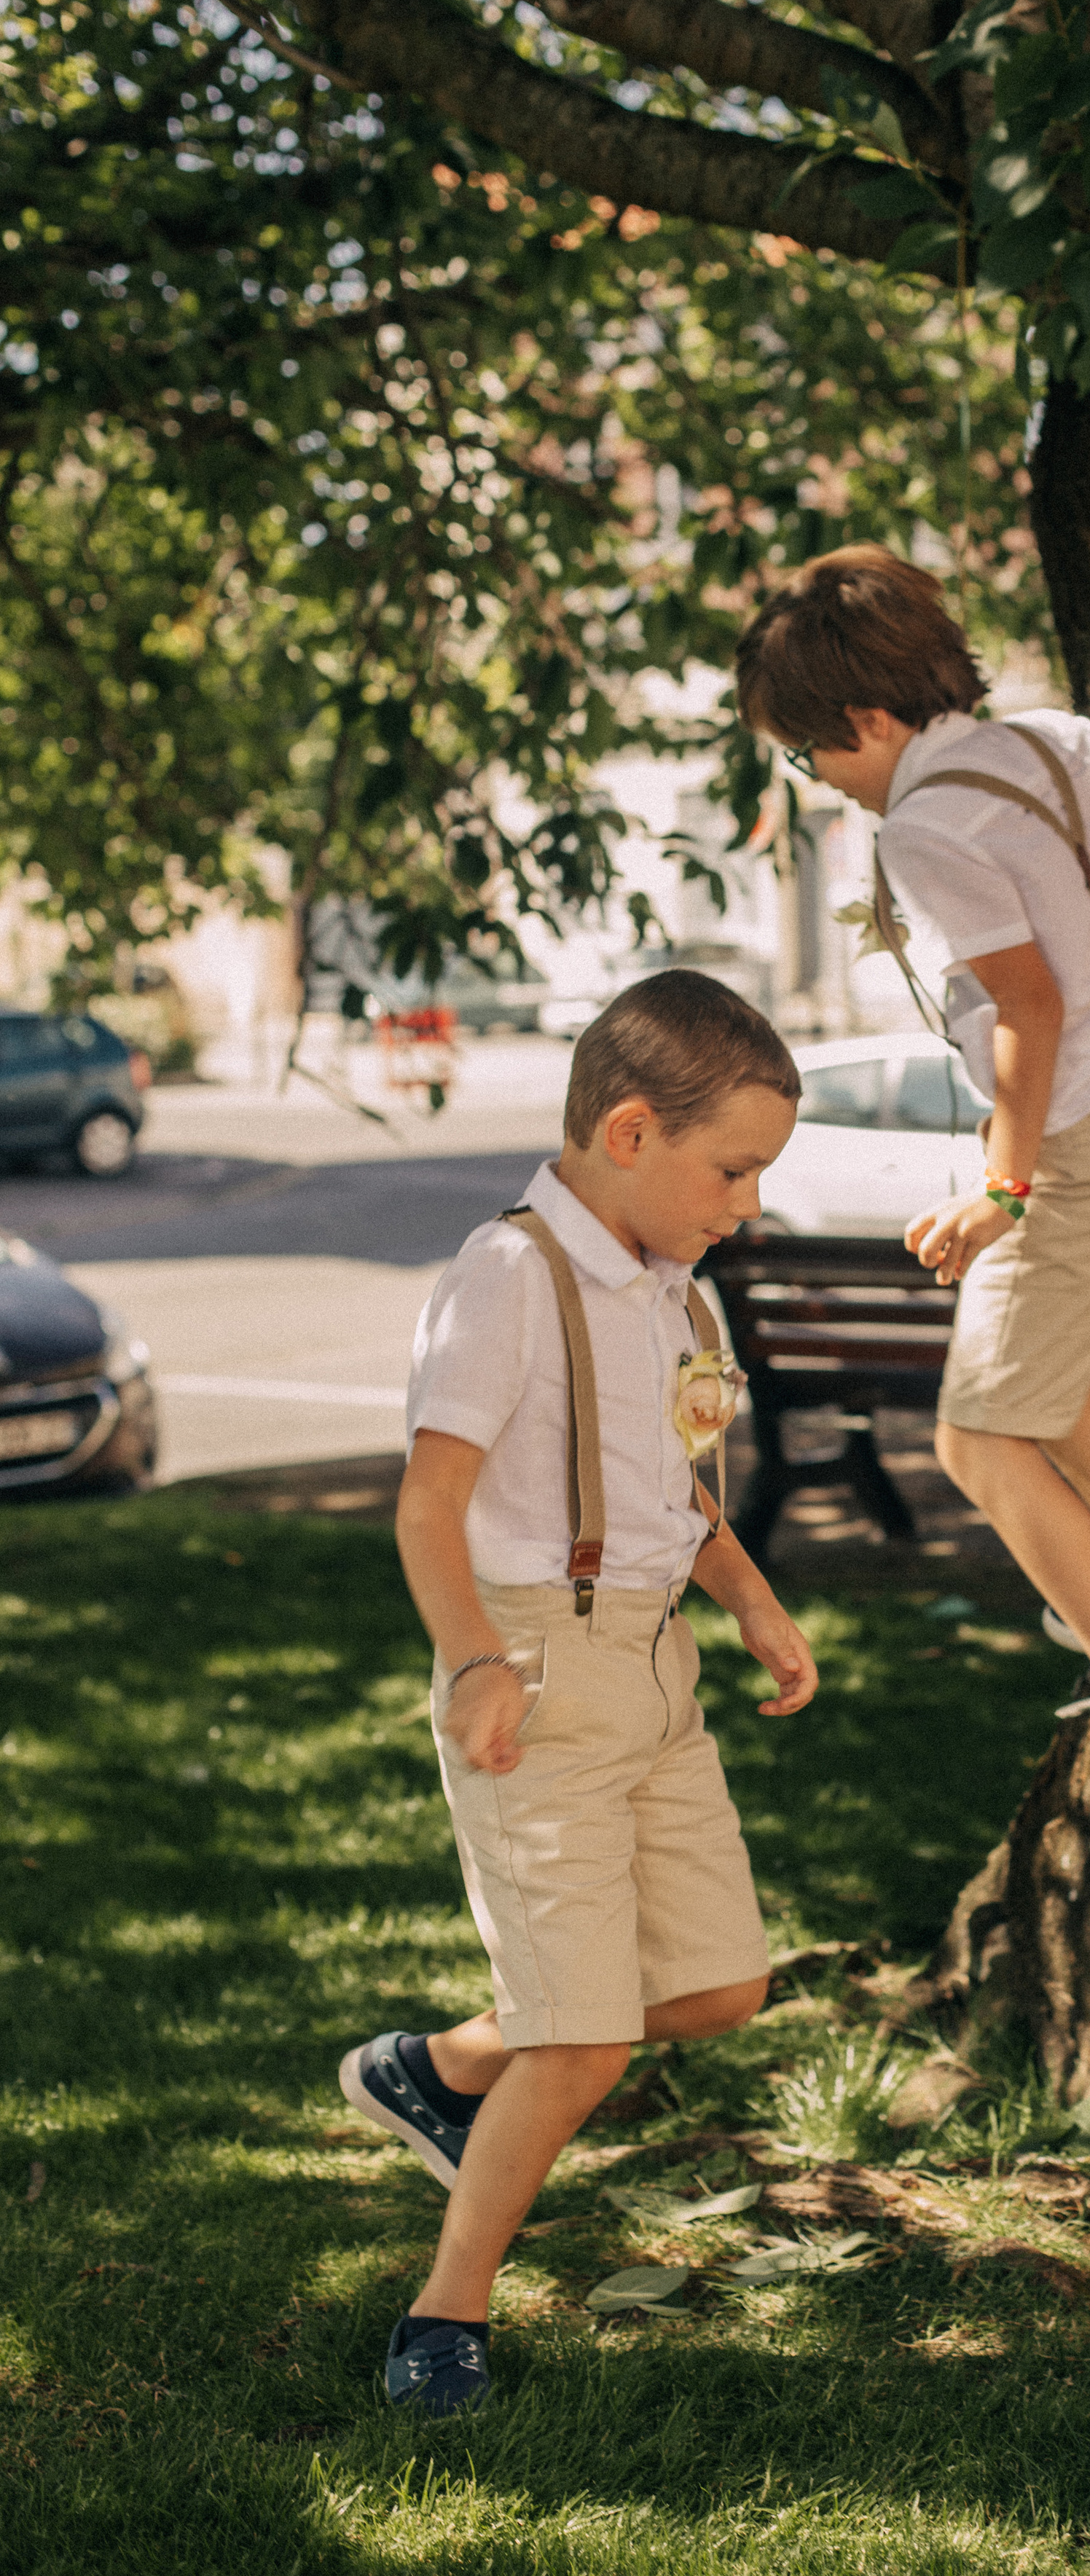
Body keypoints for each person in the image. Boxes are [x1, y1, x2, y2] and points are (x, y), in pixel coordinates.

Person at [337, 973, 818, 2414]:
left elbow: (670, 1483)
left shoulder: (670, 1287)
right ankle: (444, 2317)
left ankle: (436, 2067)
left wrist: (745, 1596)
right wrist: (476, 1658)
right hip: (536, 1669)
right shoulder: (509, 1278)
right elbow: (429, 1508)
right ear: (626, 1132)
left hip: (653, 1669)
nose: (742, 1203)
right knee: (585, 2035)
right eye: (729, 1170)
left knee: (719, 1984)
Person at [736, 545, 1090, 1869]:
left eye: (809, 758)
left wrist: (1003, 1195)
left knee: (975, 1439)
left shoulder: (922, 824)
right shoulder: (1048, 741)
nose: (819, 784)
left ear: (865, 722)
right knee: (1047, 1382)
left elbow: (1029, 1008)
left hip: (1080, 1135)